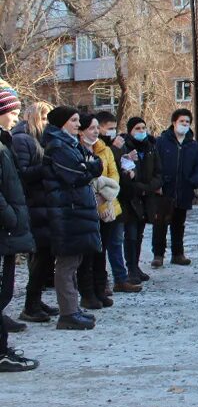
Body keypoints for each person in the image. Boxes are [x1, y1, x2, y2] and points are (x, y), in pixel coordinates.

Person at [42, 106, 103, 330]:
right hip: (68, 209)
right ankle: (68, 313)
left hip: (74, 208)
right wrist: (89, 166)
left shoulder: (68, 143)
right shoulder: (58, 145)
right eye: (74, 120)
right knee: (67, 264)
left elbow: (94, 164)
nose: (78, 125)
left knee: (74, 261)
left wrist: (90, 165)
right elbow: (76, 174)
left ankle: (73, 308)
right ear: (62, 123)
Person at [11, 101, 60, 323]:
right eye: (45, 118)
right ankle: (31, 305)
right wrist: (46, 166)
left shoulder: (39, 140)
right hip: (33, 207)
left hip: (44, 205)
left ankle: (36, 300)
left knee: (45, 257)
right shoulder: (22, 140)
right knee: (39, 257)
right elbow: (22, 174)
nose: (48, 123)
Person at [0, 86, 38, 371]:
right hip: (5, 230)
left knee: (5, 292)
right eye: (12, 112)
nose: (15, 118)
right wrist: (11, 216)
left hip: (9, 231)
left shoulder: (4, 142)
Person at [151, 109, 198, 267]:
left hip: (184, 190)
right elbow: (154, 164)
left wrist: (193, 181)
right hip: (164, 190)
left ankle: (178, 254)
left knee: (178, 224)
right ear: (174, 123)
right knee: (160, 223)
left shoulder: (193, 145)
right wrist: (158, 184)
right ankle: (158, 254)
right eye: (182, 121)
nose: (184, 124)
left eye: (187, 122)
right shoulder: (161, 142)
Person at [95, 111, 141, 293]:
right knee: (101, 245)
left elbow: (117, 170)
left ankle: (120, 278)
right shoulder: (97, 147)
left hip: (116, 200)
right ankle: (101, 281)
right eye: (109, 129)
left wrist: (128, 167)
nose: (113, 132)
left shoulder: (113, 147)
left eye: (115, 128)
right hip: (100, 200)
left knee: (116, 241)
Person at [76, 114, 116, 310]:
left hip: (105, 207)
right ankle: (87, 293)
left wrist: (105, 195)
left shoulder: (103, 149)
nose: (95, 132)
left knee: (102, 252)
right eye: (91, 128)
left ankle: (100, 289)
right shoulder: (76, 151)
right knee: (88, 254)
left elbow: (112, 174)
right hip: (85, 209)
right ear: (81, 132)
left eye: (96, 128)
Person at [119, 117, 161, 285]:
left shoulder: (151, 147)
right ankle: (130, 268)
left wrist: (149, 187)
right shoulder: (124, 147)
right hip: (131, 197)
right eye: (137, 128)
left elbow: (159, 172)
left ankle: (136, 266)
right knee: (131, 235)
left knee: (140, 234)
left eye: (143, 127)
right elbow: (123, 173)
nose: (141, 131)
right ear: (130, 131)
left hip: (146, 197)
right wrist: (138, 187)